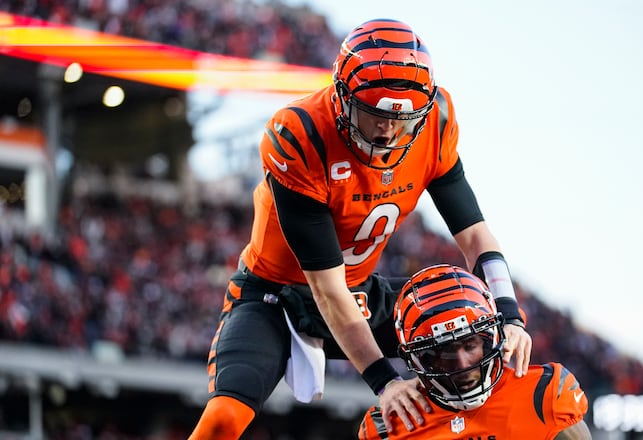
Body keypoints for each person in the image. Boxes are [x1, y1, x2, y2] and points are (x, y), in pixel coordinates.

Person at [188, 18, 532, 439]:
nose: (387, 130)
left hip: (360, 292)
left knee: (474, 338)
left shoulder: (437, 121)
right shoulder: (301, 134)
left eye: (399, 119)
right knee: (224, 419)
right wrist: (385, 382)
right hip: (276, 295)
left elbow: (476, 236)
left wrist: (509, 314)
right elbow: (326, 290)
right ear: (341, 97)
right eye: (373, 115)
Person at [358, 264, 591, 440]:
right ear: (422, 359)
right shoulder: (390, 424)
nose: (462, 363)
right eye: (444, 351)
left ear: (491, 339)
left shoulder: (544, 396)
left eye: (470, 345)